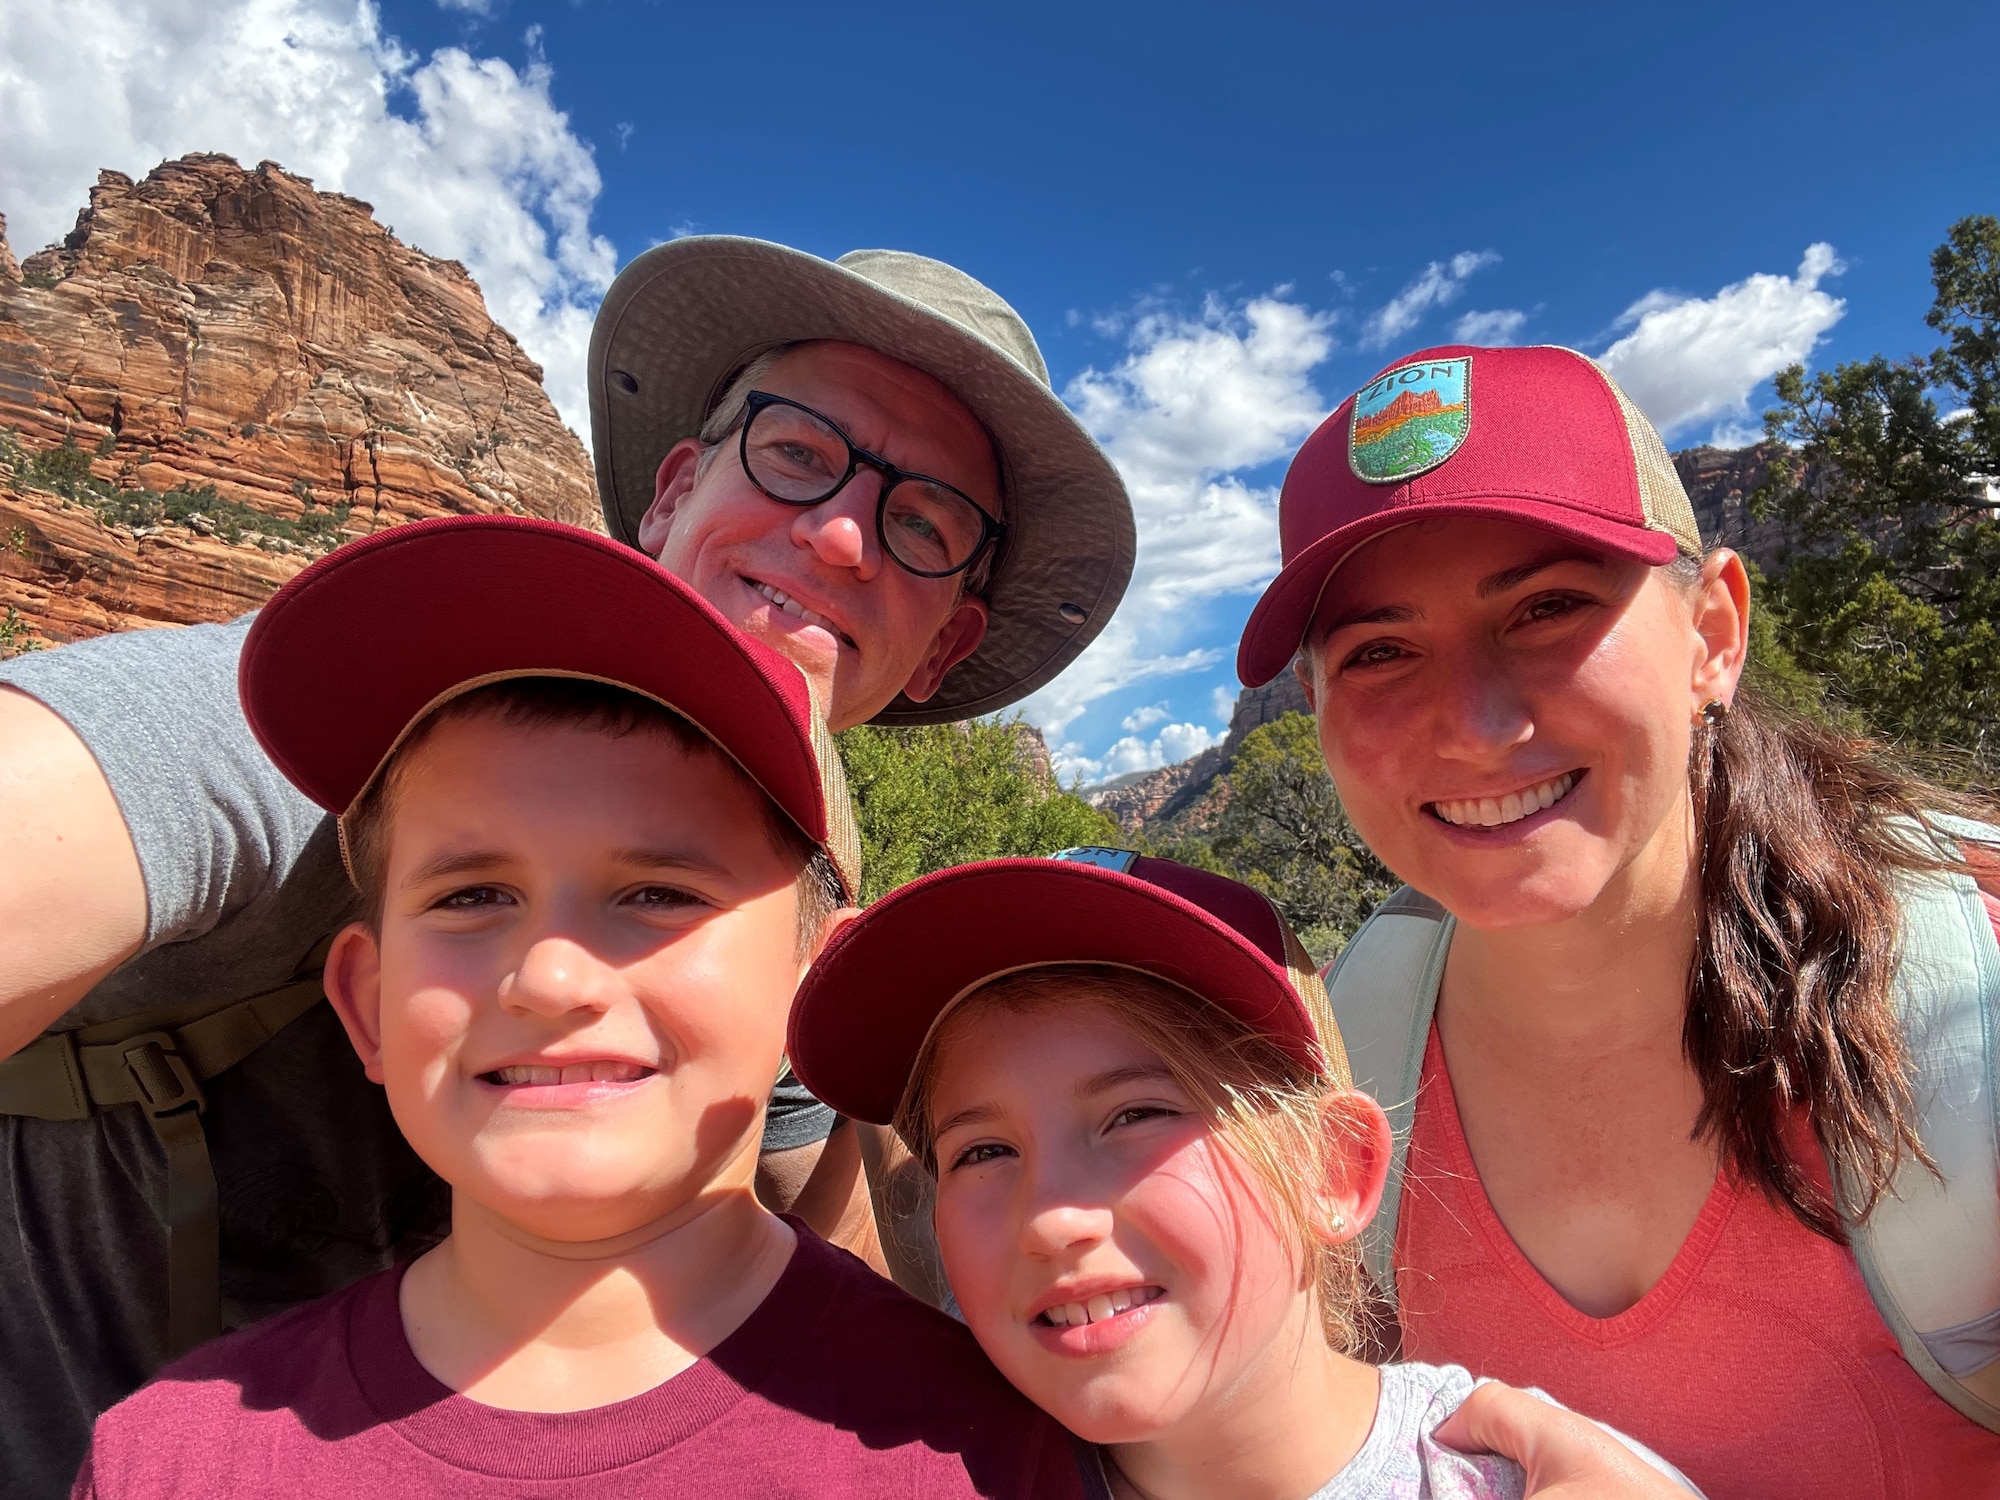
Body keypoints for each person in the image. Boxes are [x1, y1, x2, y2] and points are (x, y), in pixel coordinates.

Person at [0, 238, 1131, 1493]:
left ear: (944, 646)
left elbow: (840, 1298)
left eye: (922, 522)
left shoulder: (800, 883)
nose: (843, 536)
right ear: (671, 492)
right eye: (799, 453)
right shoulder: (327, 732)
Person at [72, 514, 1088, 1498]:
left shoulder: (984, 1457)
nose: (550, 981)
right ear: (369, 1005)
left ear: (812, 983)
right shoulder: (167, 1463)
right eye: (471, 897)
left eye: (657, 894)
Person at [1232, 341, 2000, 1497]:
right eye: (1381, 651)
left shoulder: (1971, 999)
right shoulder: (1338, 1070)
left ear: (1710, 634)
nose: (1475, 726)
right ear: (1314, 707)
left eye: (1546, 608)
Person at [785, 848, 1698, 1499]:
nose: (1051, 1220)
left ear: (1332, 1170)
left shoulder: (1534, 1479)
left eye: (1136, 1114)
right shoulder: (927, 1471)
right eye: (982, 1150)